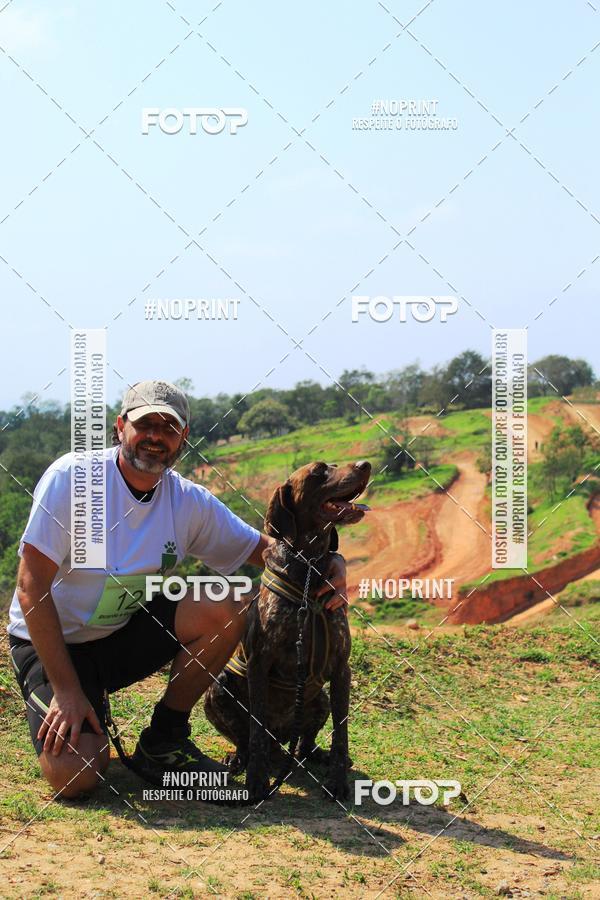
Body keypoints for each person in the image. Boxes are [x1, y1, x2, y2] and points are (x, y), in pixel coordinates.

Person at [7, 380, 347, 798]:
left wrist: (333, 562)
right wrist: (68, 691)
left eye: (168, 428)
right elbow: (30, 587)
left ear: (183, 438)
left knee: (231, 599)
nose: (155, 436)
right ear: (120, 427)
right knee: (74, 776)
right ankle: (84, 703)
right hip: (51, 645)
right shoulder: (73, 480)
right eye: (144, 423)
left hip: (120, 636)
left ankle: (164, 740)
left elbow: (268, 551)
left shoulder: (187, 502)